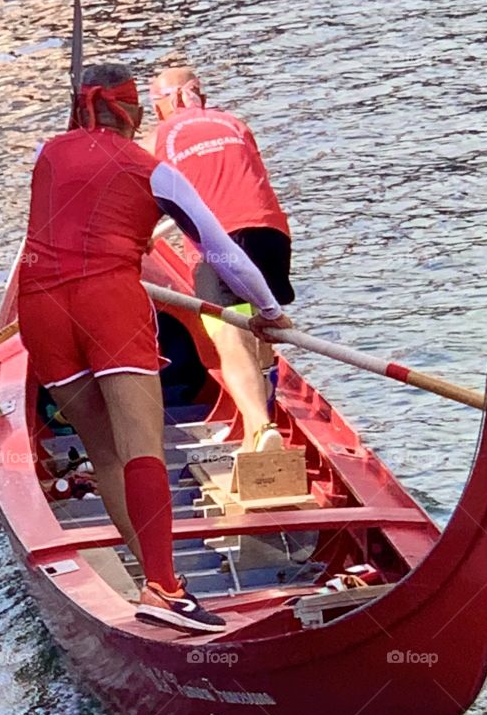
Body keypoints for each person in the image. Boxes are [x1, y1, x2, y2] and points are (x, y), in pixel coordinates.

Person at [18, 62, 293, 633]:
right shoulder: (155, 171)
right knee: (141, 444)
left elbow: (75, 185)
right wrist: (268, 311)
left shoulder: (47, 153)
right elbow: (221, 254)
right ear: (136, 114)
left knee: (106, 452)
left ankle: (160, 581)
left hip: (39, 304)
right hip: (107, 304)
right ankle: (164, 589)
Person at [147, 67, 295, 452]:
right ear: (201, 96)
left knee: (230, 335)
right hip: (271, 234)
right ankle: (261, 426)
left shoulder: (158, 137)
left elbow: (150, 194)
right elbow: (239, 180)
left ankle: (262, 430)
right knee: (264, 325)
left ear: (162, 105)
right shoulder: (234, 123)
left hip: (218, 243)